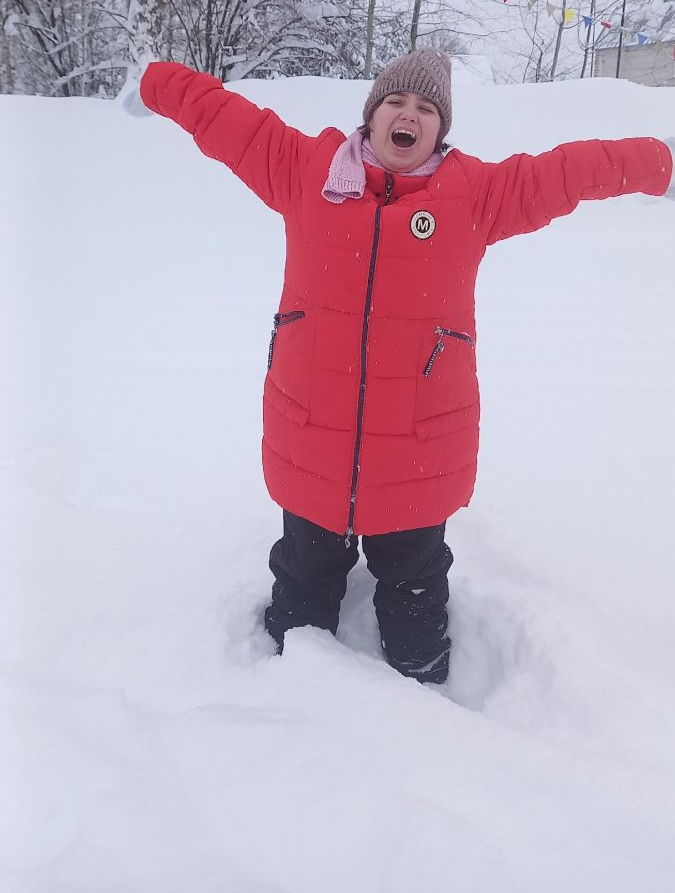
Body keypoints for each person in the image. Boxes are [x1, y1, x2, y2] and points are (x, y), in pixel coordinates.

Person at [138, 50, 674, 685]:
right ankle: (287, 705)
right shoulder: (306, 171)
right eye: (396, 101)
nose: (409, 115)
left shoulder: (474, 196)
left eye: (426, 108)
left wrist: (659, 163)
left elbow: (567, 172)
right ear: (372, 115)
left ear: (440, 130)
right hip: (312, 434)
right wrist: (156, 81)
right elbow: (228, 121)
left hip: (419, 447)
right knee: (302, 590)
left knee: (415, 596)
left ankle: (423, 709)